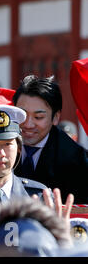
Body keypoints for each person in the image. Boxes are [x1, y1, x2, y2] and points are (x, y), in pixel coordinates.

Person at [13, 75, 88, 203]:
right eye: (23, 115)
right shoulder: (0, 143)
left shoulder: (78, 161)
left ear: (56, 118)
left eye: (38, 117)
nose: (28, 124)